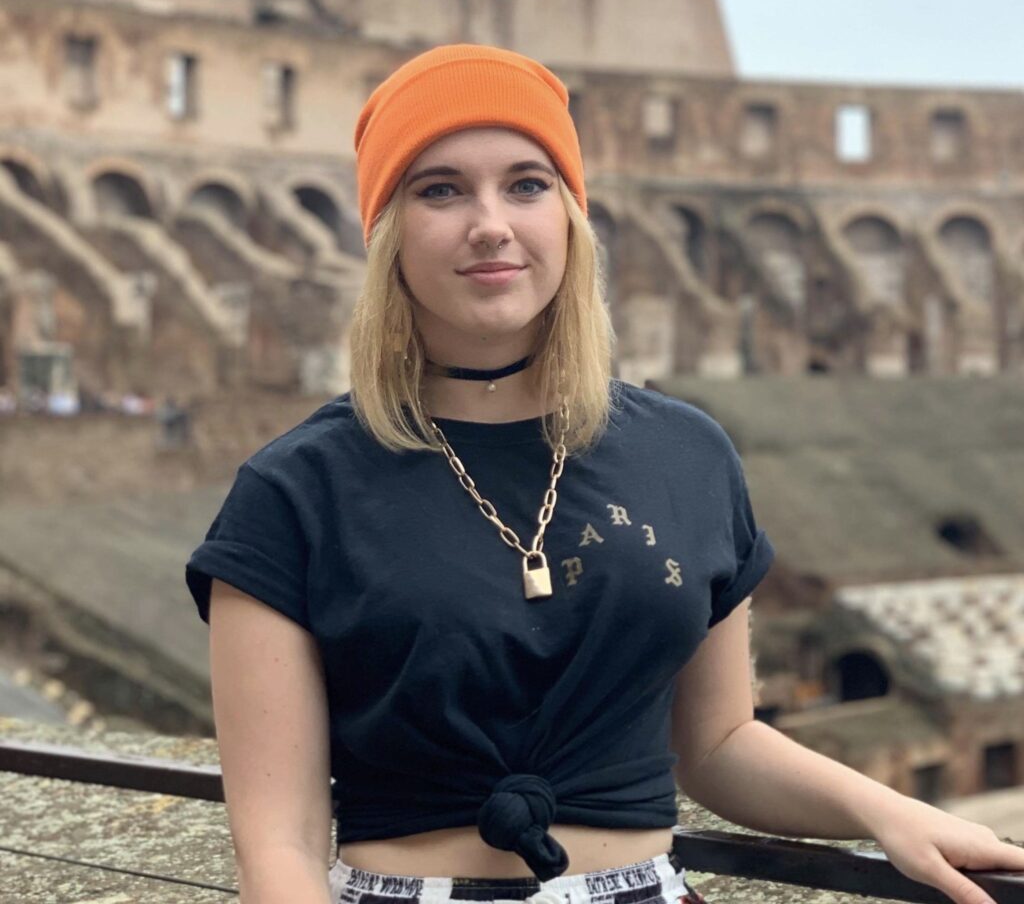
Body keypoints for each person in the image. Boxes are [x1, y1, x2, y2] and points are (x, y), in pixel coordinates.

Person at [185, 44, 1024, 904]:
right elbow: (280, 845)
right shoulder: (292, 491)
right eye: (439, 188)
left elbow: (721, 743)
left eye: (527, 183)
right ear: (387, 228)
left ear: (570, 213)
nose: (491, 223)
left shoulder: (687, 453)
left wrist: (887, 812)